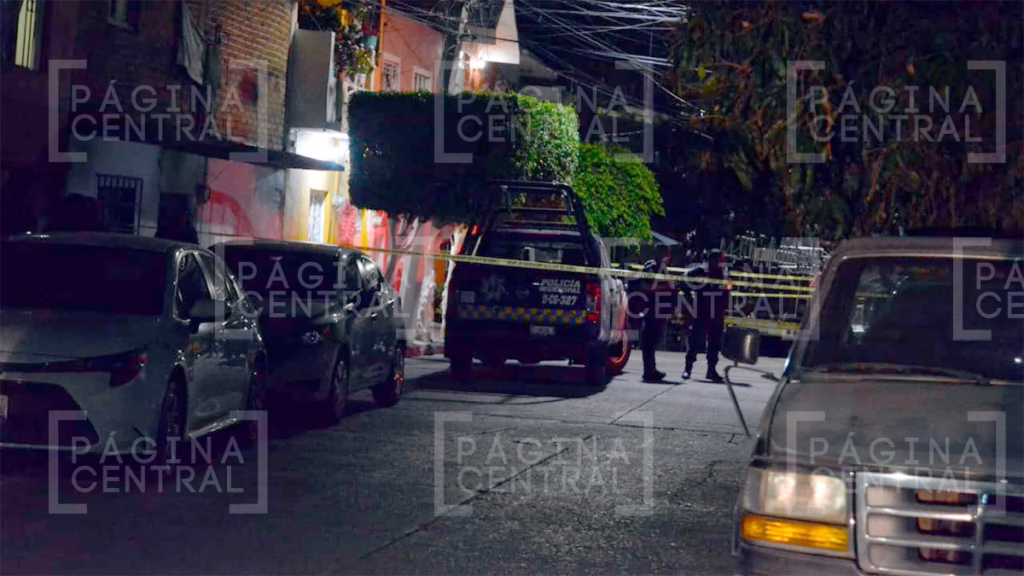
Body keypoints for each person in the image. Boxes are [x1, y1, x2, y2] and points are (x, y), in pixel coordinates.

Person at [683, 249, 728, 382]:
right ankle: (687, 369)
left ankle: (711, 370)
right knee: (694, 342)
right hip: (701, 312)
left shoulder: (723, 274)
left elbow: (726, 293)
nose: (720, 262)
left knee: (714, 343)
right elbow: (684, 281)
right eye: (718, 260)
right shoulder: (701, 271)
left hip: (717, 313)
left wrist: (725, 308)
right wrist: (689, 298)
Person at [639, 244, 675, 382]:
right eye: (667, 253)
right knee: (649, 341)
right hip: (652, 309)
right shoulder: (652, 266)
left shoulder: (661, 267)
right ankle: (648, 371)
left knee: (653, 342)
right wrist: (668, 285)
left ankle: (651, 369)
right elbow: (646, 286)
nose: (669, 256)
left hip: (660, 309)